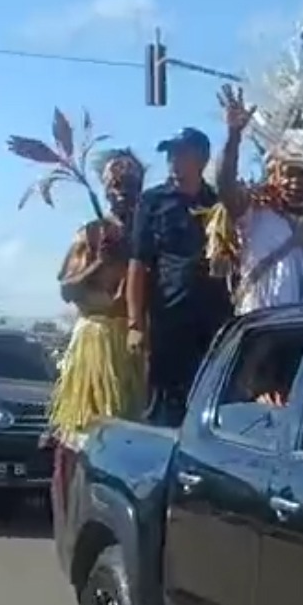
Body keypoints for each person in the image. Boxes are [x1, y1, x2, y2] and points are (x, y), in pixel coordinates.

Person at [49, 149, 148, 512]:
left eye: (131, 184)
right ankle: (77, 506)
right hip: (97, 341)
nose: (123, 191)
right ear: (106, 189)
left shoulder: (147, 230)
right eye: (117, 185)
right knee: (88, 432)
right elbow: (67, 288)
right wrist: (101, 263)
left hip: (136, 341)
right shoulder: (92, 233)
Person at [127, 127, 233, 427]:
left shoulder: (218, 202)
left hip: (213, 320)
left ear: (201, 158)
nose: (173, 160)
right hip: (168, 319)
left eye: (181, 153)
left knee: (206, 401)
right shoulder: (153, 201)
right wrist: (135, 323)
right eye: (170, 154)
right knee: (163, 405)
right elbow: (139, 263)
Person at [207, 83, 303, 314]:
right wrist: (234, 137)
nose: (296, 182)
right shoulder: (254, 215)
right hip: (261, 331)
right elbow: (225, 185)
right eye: (289, 173)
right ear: (274, 175)